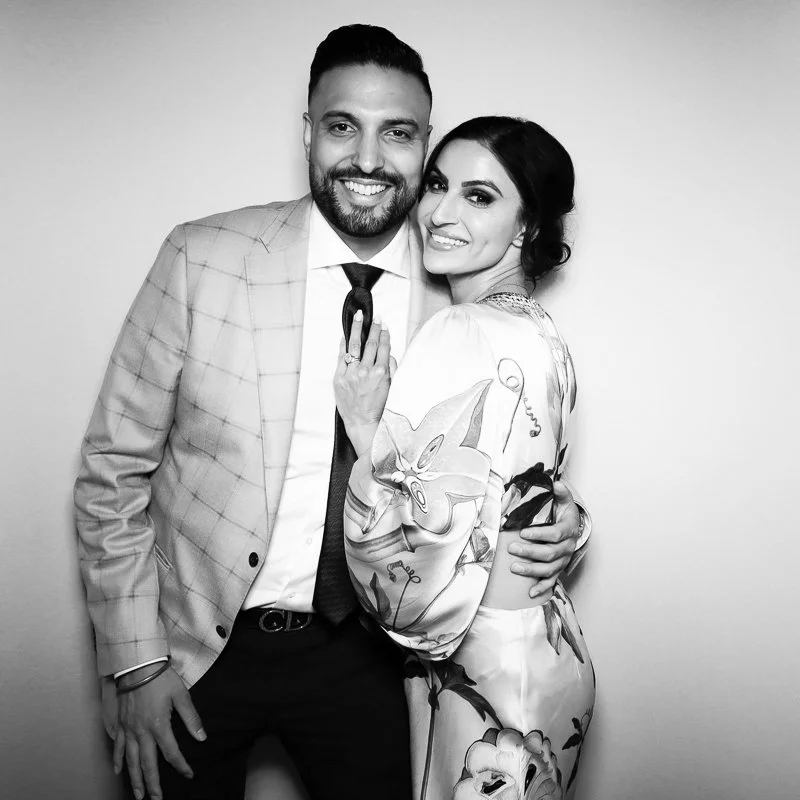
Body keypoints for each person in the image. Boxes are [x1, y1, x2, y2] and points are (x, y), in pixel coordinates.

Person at [73, 25, 588, 800]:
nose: (371, 160)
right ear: (308, 133)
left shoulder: (459, 285)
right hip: (197, 651)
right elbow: (112, 471)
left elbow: (502, 452)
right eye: (344, 126)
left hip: (378, 663)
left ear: (424, 144)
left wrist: (560, 518)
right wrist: (135, 659)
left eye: (401, 134)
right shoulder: (201, 256)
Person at [337, 116, 595, 800]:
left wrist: (368, 433)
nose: (440, 213)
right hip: (545, 648)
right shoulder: (542, 332)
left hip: (480, 671)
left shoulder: (459, 328)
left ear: (527, 226)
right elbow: (524, 486)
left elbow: (419, 569)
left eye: (479, 196)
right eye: (438, 185)